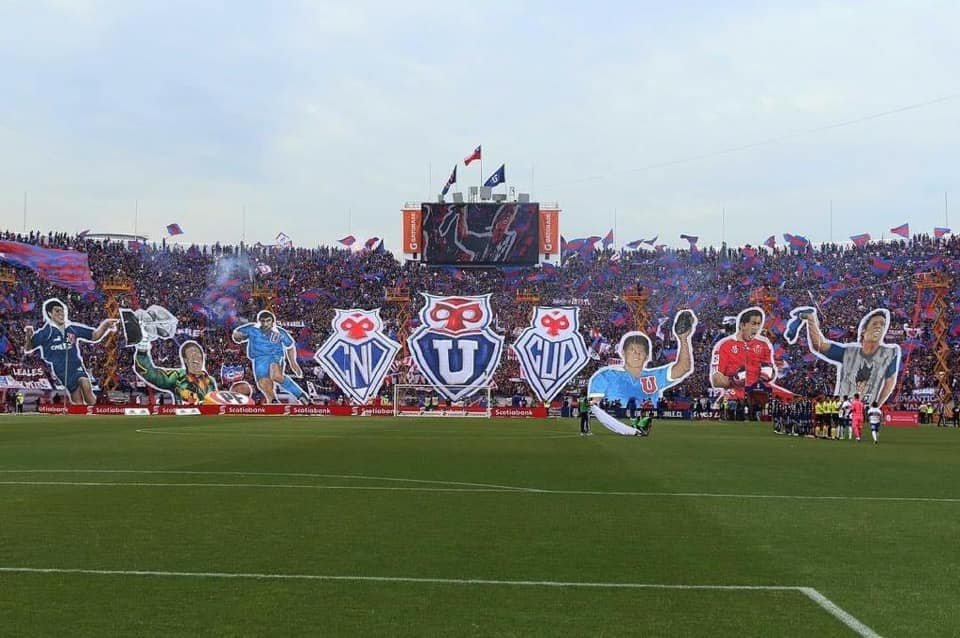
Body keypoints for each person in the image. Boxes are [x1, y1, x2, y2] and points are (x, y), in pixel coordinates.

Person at [792, 308, 901, 407]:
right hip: (843, 407)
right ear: (864, 331)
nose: (879, 326)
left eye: (882, 324)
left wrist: (877, 405)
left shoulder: (890, 353)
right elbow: (819, 345)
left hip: (865, 408)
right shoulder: (848, 352)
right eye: (875, 323)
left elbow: (889, 382)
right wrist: (811, 321)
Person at [588, 309, 697, 405]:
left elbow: (683, 368)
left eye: (641, 351)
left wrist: (683, 339)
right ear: (623, 353)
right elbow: (595, 407)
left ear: (647, 356)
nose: (637, 354)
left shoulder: (654, 377)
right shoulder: (605, 376)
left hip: (647, 425)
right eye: (632, 350)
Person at [24, 298, 118, 405]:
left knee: (85, 384)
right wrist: (28, 336)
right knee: (77, 398)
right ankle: (81, 417)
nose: (61, 313)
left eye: (62, 310)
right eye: (57, 311)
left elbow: (95, 336)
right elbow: (28, 348)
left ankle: (95, 413)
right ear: (50, 313)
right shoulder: (46, 333)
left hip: (76, 365)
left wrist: (105, 325)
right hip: (62, 369)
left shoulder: (72, 329)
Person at [711, 307, 793, 403]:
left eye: (759, 324)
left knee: (793, 400)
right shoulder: (724, 346)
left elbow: (770, 374)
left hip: (761, 394)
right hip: (735, 396)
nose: (757, 328)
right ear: (742, 325)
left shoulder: (763, 345)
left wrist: (769, 374)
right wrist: (734, 380)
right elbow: (716, 380)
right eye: (753, 323)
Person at [232, 310, 308, 404]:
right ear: (259, 321)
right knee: (263, 383)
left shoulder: (280, 332)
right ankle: (273, 402)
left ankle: (301, 395)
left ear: (272, 321)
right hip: (258, 359)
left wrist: (293, 363)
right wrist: (237, 336)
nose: (265, 323)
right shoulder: (251, 329)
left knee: (276, 375)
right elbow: (237, 335)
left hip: (275, 356)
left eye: (268, 320)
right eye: (263, 321)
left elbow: (290, 346)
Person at [134, 339, 218, 404]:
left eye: (198, 355)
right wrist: (142, 351)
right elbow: (152, 375)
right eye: (192, 355)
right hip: (185, 417)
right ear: (185, 359)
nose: (196, 358)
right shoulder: (177, 377)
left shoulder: (210, 381)